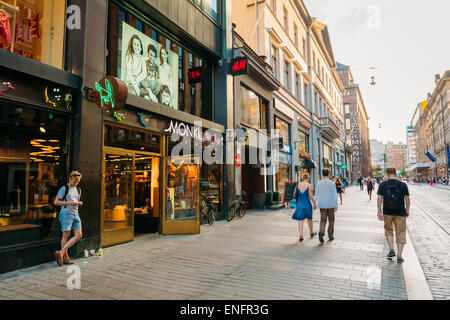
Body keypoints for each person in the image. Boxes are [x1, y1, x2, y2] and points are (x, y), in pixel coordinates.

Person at [377, 168, 410, 263]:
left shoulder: (382, 184)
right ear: (395, 173)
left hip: (387, 211)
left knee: (388, 230)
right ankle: (399, 256)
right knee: (401, 232)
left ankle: (392, 249)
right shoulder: (403, 184)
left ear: (387, 174)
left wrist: (379, 211)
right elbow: (407, 199)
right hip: (400, 212)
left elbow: (379, 198)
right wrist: (407, 210)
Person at [54, 171, 84, 266]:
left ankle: (61, 252)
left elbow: (75, 200)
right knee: (65, 236)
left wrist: (79, 202)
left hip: (76, 214)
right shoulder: (64, 189)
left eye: (77, 182)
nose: (76, 183)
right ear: (70, 179)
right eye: (74, 181)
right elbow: (56, 202)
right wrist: (69, 203)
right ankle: (66, 258)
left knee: (79, 235)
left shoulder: (78, 190)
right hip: (66, 214)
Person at [315, 169, 339, 244]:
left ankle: (321, 233)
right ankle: (330, 236)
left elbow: (317, 194)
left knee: (323, 220)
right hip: (330, 204)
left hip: (322, 205)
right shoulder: (332, 183)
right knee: (331, 220)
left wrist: (315, 203)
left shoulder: (319, 183)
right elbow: (334, 195)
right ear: (328, 174)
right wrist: (335, 205)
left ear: (322, 174)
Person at [292, 173, 317, 242]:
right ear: (308, 178)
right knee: (309, 218)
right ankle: (311, 233)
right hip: (307, 204)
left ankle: (301, 236)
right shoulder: (309, 185)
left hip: (299, 204)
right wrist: (315, 203)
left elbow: (294, 194)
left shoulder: (298, 184)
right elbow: (311, 196)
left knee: (300, 219)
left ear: (303, 178)